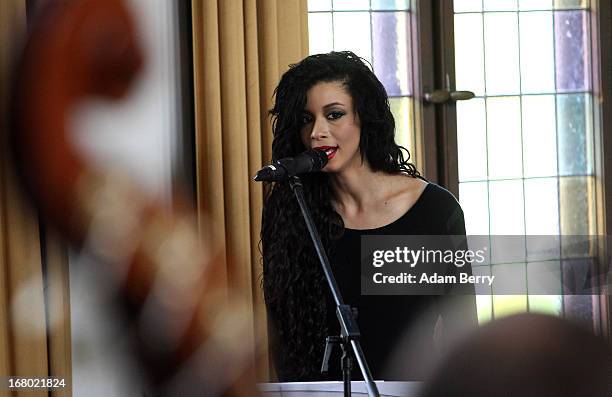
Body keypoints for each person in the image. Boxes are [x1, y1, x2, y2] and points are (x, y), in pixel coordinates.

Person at [261, 51, 477, 382]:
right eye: (307, 119)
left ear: (365, 117)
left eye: (334, 115)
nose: (318, 131)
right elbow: (283, 342)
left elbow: (461, 335)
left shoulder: (434, 211)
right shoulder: (291, 212)